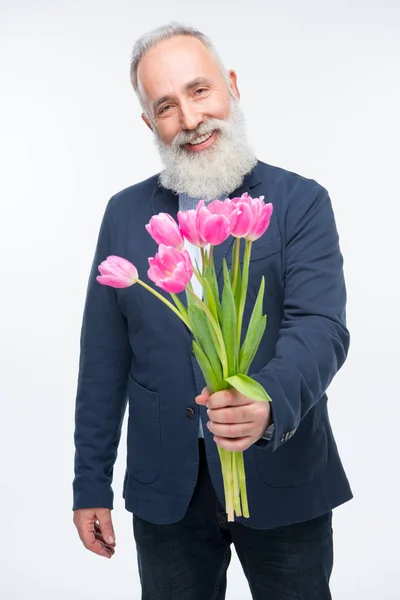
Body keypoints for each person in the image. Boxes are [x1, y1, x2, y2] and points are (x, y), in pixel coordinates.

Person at [72, 22, 353, 600]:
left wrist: (267, 399)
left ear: (231, 86)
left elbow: (321, 328)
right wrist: (89, 483)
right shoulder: (124, 215)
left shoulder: (300, 202)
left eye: (200, 91)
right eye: (167, 106)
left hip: (284, 476)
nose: (191, 120)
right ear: (150, 123)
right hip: (166, 493)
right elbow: (103, 359)